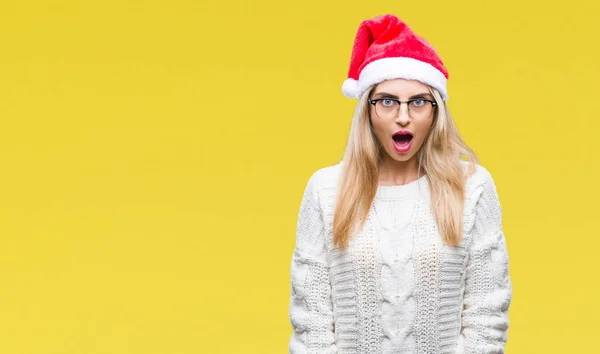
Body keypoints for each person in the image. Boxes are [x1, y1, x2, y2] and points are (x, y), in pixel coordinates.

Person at [287, 14, 512, 354]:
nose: (403, 116)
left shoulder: (472, 187)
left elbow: (487, 315)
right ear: (368, 110)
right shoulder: (326, 190)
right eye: (388, 101)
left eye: (418, 101)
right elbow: (312, 323)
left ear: (436, 112)